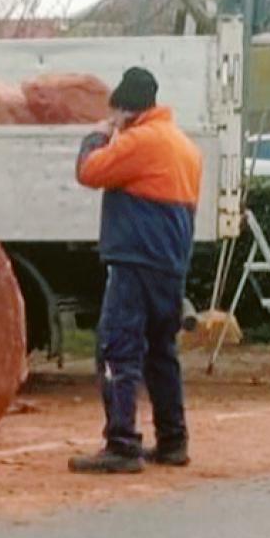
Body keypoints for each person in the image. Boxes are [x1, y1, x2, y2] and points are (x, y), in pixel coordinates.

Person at [68, 67, 203, 474]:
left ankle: (122, 443)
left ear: (126, 109)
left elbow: (89, 172)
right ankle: (173, 440)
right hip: (170, 263)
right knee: (161, 351)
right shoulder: (183, 145)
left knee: (118, 347)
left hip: (135, 260)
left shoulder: (141, 141)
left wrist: (97, 136)